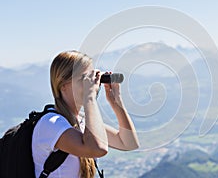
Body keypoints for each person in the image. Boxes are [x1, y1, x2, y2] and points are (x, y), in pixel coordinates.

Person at [32, 50, 139, 178]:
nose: (91, 84)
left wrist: (117, 103)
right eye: (84, 79)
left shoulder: (81, 121)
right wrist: (90, 98)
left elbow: (128, 143)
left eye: (92, 79)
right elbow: (97, 149)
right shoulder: (51, 124)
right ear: (63, 85)